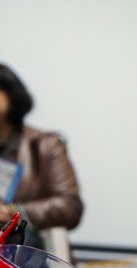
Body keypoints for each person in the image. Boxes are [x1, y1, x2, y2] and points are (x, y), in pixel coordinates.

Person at [0, 63, 83, 250]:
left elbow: (69, 207)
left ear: (11, 95)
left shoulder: (44, 145)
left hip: (30, 256)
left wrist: (14, 212)